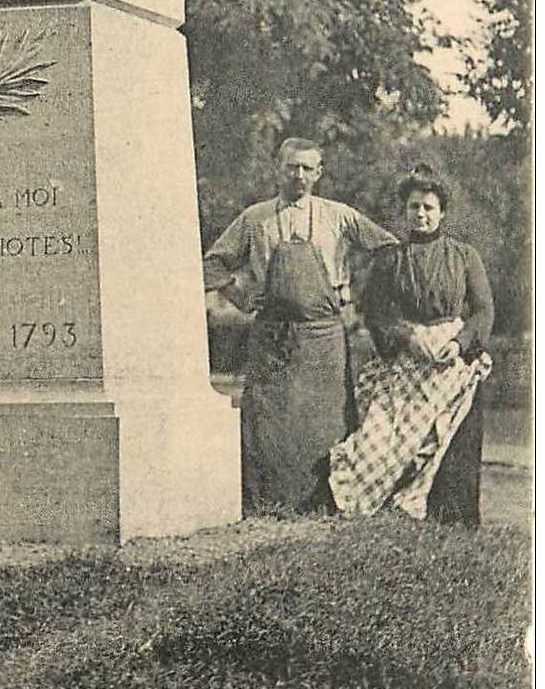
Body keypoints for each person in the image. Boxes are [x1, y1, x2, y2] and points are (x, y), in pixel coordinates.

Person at [202, 137, 396, 514]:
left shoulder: (341, 216)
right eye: (293, 167)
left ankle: (328, 502)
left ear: (319, 173)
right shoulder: (254, 219)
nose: (300, 175)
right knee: (266, 421)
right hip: (272, 337)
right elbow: (212, 264)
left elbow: (389, 250)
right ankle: (264, 503)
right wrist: (239, 295)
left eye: (308, 168)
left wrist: (360, 294)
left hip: (325, 339)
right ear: (278, 169)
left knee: (327, 422)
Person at [330, 164, 493, 525]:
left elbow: (483, 311)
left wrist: (459, 342)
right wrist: (407, 335)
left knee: (444, 426)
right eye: (414, 207)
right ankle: (378, 501)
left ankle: (438, 510)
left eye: (428, 208)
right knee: (380, 435)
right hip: (405, 357)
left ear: (442, 212)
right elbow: (374, 312)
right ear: (405, 211)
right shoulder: (390, 258)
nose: (420, 214)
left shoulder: (464, 256)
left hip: (450, 356)